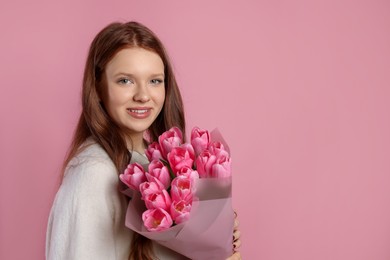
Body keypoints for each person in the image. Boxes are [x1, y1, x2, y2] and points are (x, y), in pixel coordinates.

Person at [46, 21, 241, 260]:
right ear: (98, 88)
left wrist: (216, 237)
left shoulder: (158, 163)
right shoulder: (93, 173)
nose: (143, 95)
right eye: (125, 81)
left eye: (154, 81)